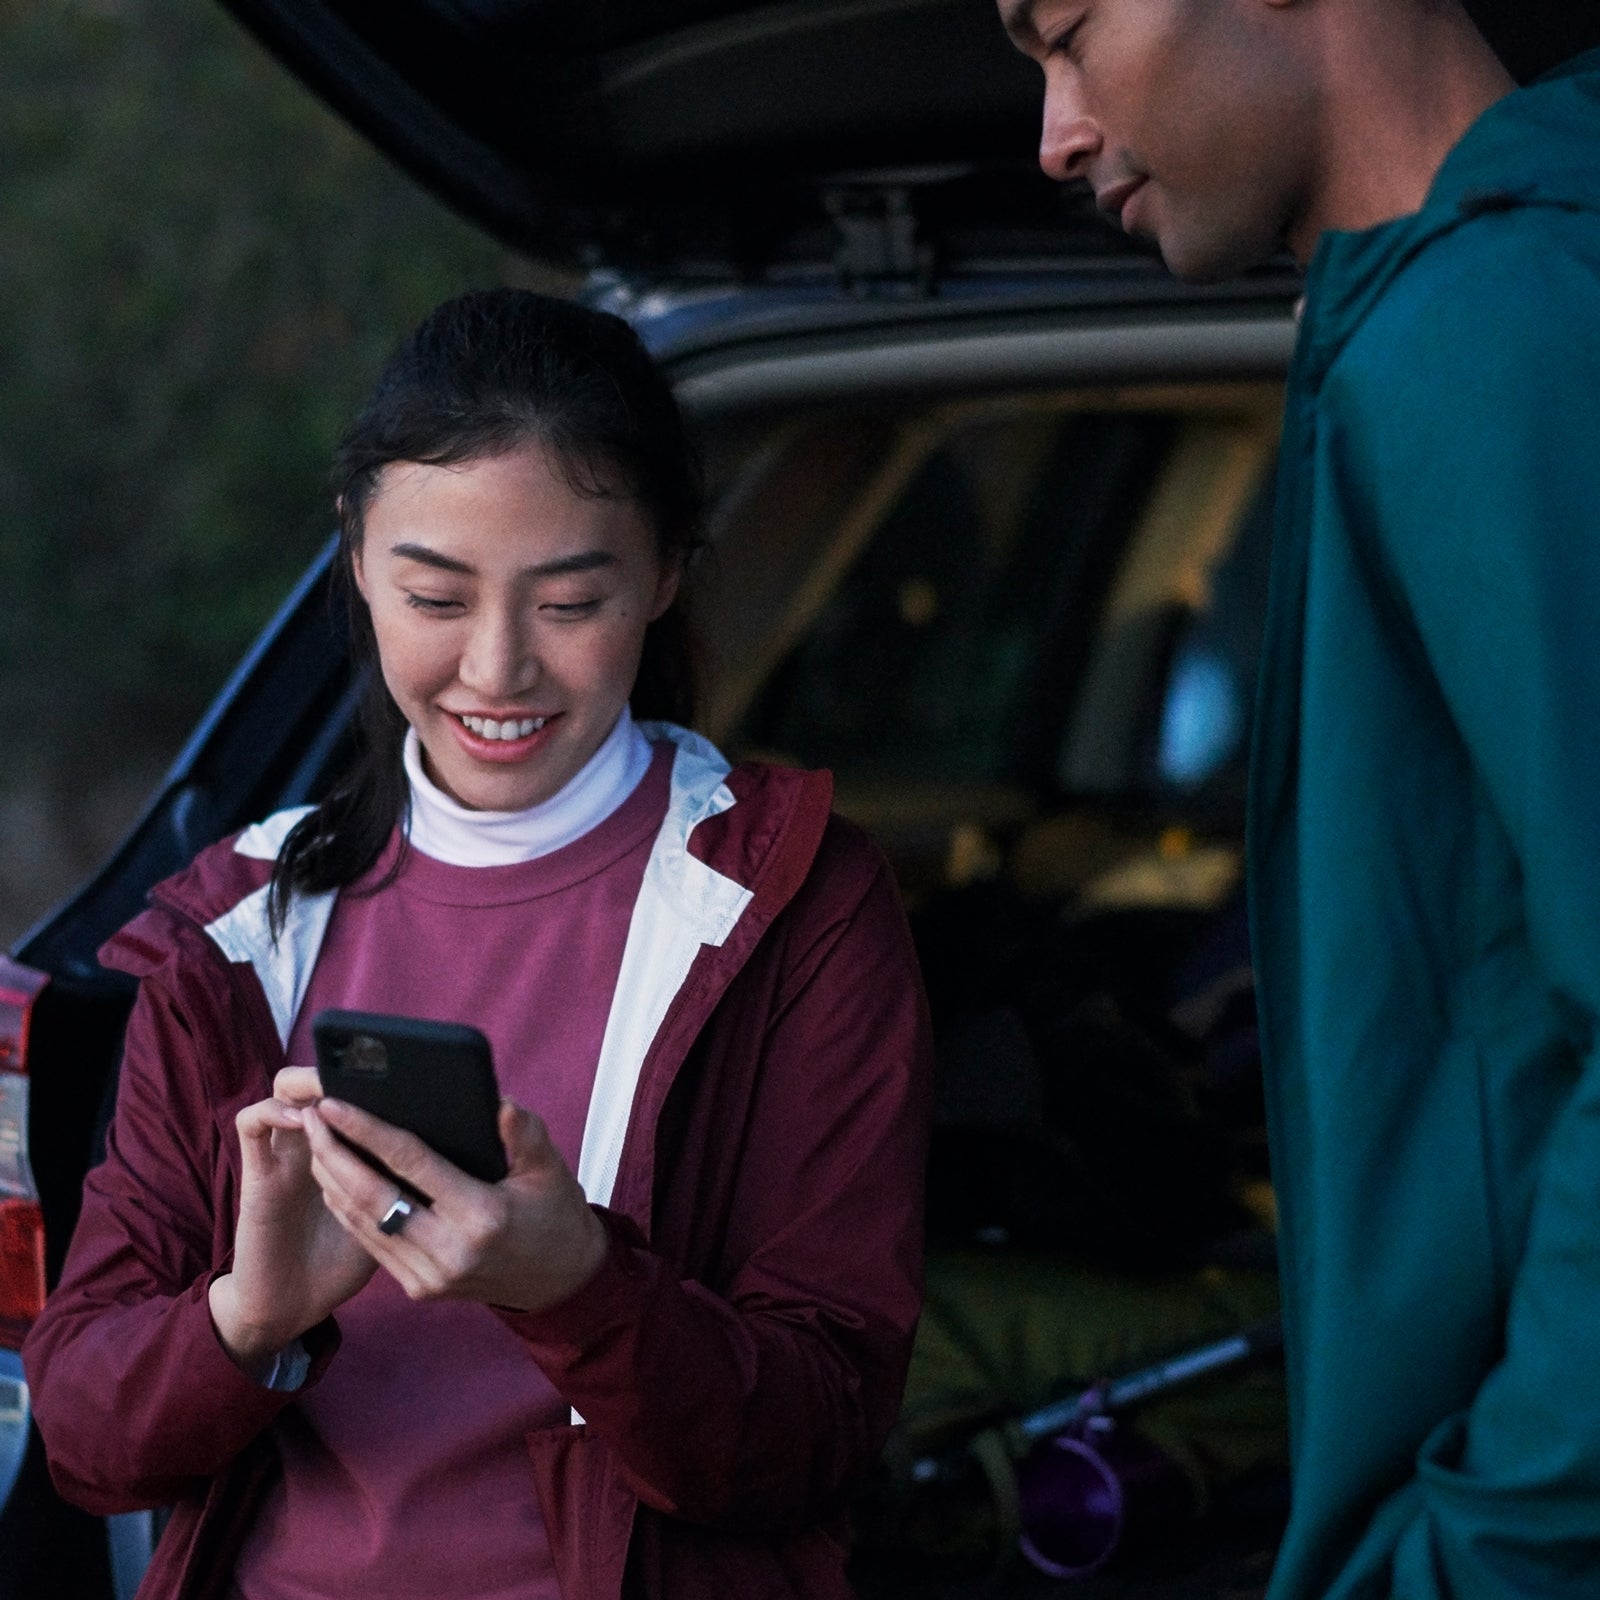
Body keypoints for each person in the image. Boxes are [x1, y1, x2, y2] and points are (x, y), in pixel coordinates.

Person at [22, 289, 932, 1600]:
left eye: (570, 602)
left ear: (668, 569)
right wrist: (251, 1315)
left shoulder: (794, 906)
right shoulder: (239, 929)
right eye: (434, 595)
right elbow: (88, 1438)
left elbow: (818, 1436)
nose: (496, 670)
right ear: (355, 557)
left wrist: (578, 1288)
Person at [996, 2, 1600, 1596]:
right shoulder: (1468, 304)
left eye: (1062, 31)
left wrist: (1493, 1539)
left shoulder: (1484, 335)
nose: (1053, 134)